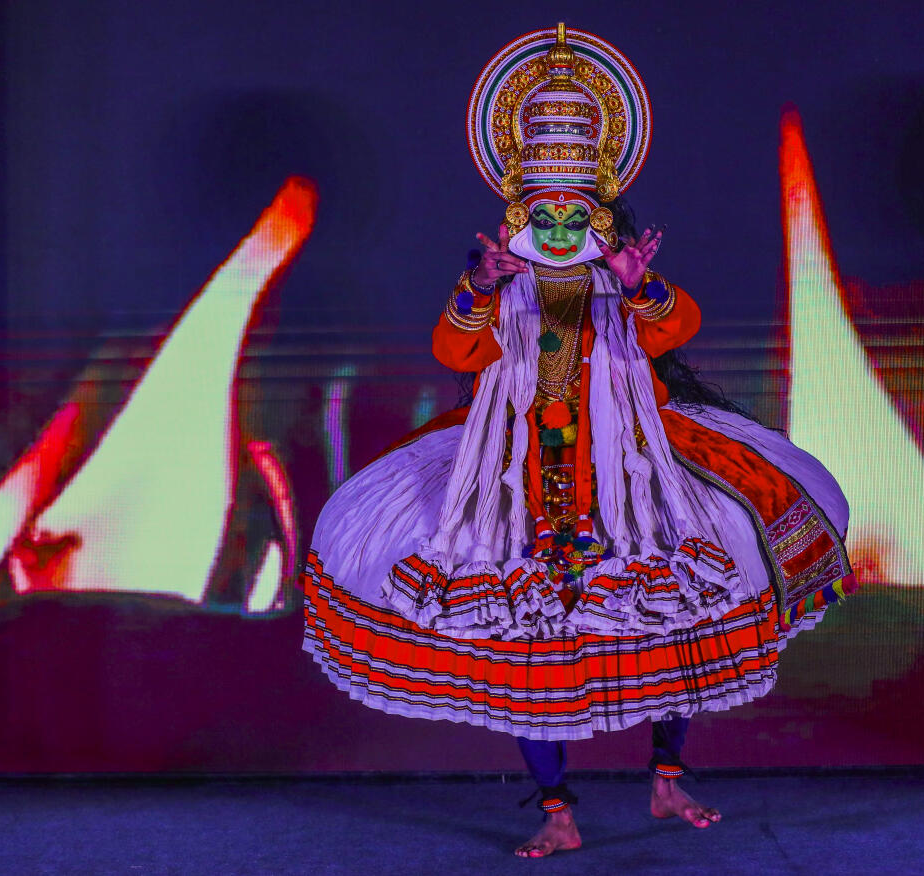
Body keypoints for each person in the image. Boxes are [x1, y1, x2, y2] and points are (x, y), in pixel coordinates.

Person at [302, 24, 857, 858]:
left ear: (599, 216)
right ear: (518, 214)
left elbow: (675, 329)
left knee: (672, 616)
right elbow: (455, 352)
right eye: (544, 215)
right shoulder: (502, 286)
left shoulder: (620, 282)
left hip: (630, 475)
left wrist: (640, 284)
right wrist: (478, 287)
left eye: (575, 215)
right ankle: (557, 809)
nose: (560, 230)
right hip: (513, 477)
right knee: (529, 649)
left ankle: (666, 778)